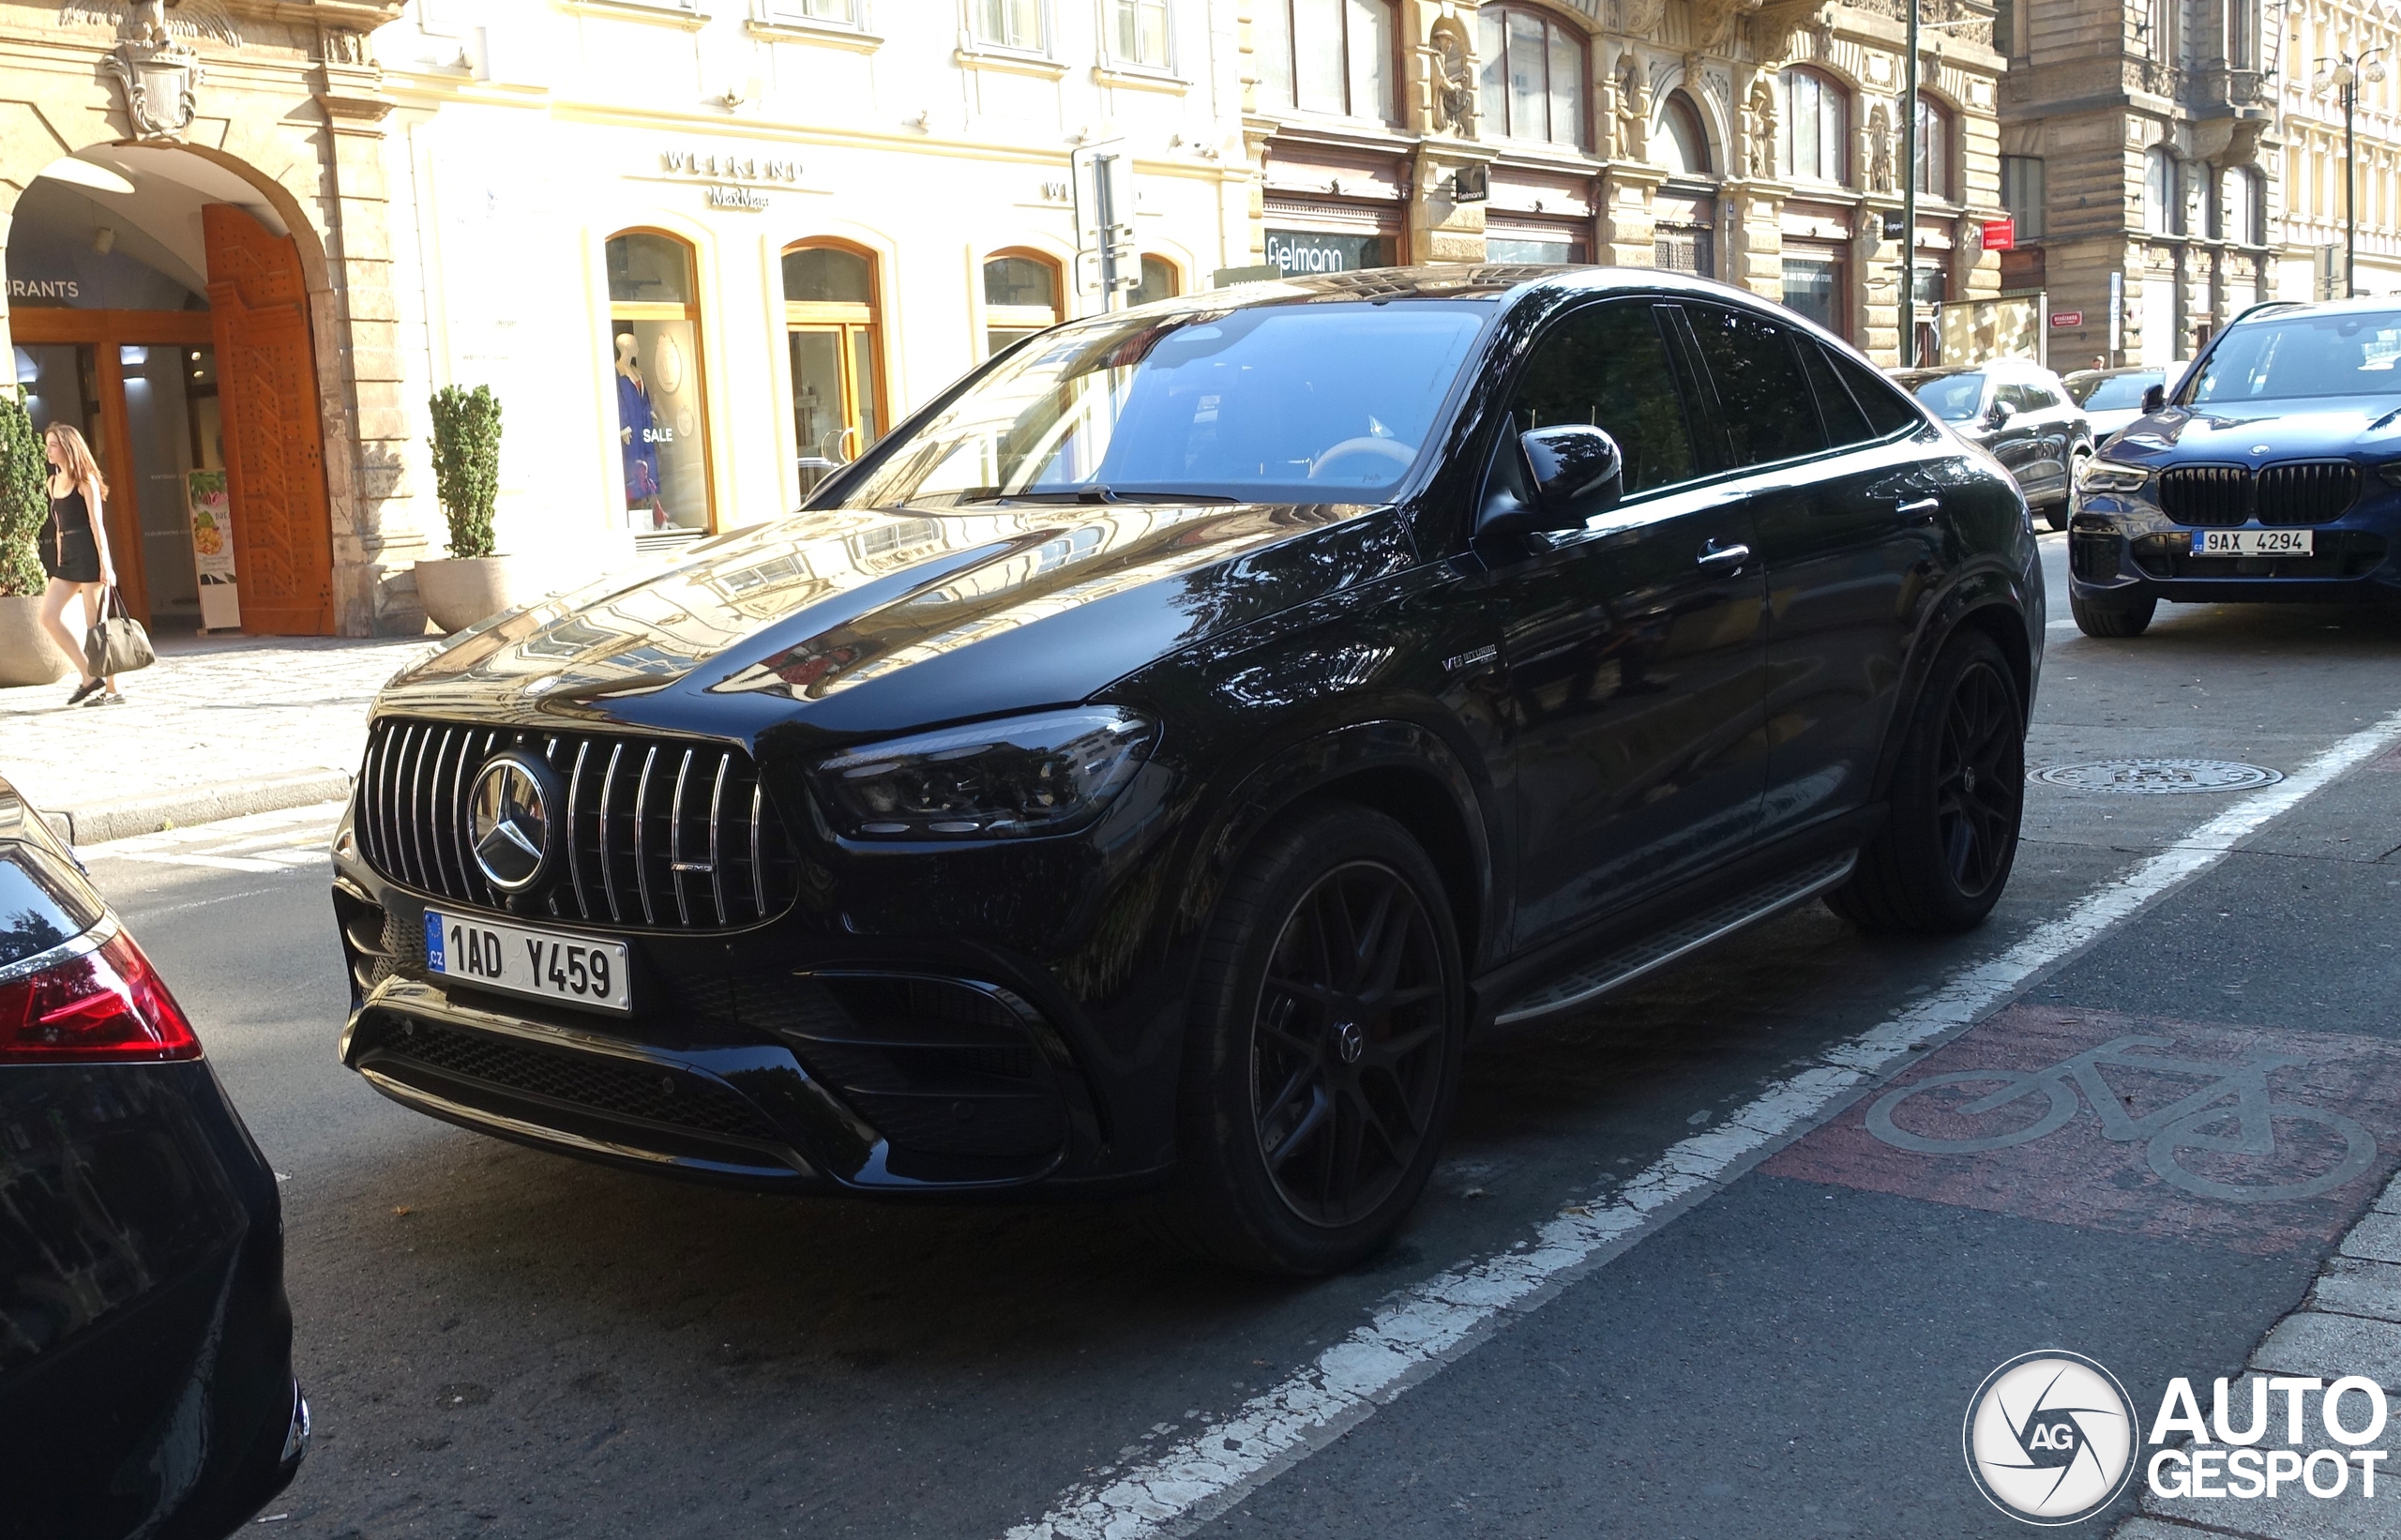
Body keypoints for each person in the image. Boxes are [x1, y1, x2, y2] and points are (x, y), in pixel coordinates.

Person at [36, 423, 122, 707]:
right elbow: (59, 527)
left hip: (89, 555)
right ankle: (88, 675)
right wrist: (60, 559)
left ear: (67, 447)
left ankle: (112, 688)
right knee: (48, 616)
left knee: (94, 625)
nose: (48, 450)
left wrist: (106, 565)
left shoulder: (86, 481)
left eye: (53, 444)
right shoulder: (52, 483)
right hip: (68, 559)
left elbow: (97, 525)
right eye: (47, 444)